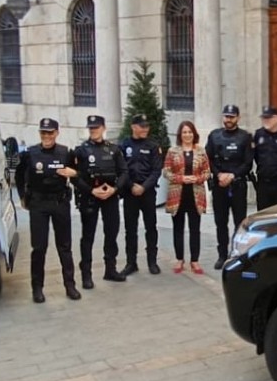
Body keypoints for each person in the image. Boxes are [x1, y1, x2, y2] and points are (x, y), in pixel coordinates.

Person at [13, 118, 80, 304]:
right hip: (38, 204)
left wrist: (74, 174)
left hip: (59, 203)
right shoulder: (30, 154)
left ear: (57, 133)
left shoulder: (65, 152)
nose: (47, 136)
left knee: (64, 246)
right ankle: (37, 288)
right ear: (40, 134)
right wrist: (22, 197)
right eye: (43, 133)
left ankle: (70, 285)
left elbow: (79, 172)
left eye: (50, 133)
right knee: (39, 248)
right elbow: (18, 175)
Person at [74, 115, 128, 287]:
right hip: (90, 197)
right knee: (88, 237)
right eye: (91, 128)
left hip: (110, 196)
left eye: (96, 128)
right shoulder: (81, 151)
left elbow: (124, 172)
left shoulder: (114, 149)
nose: (93, 131)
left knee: (111, 233)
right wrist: (91, 190)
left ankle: (110, 269)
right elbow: (75, 177)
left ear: (103, 128)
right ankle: (86, 275)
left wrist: (115, 189)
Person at [205, 104, 253, 269]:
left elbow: (248, 163)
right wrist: (219, 174)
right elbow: (208, 159)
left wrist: (232, 176)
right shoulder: (214, 136)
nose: (228, 120)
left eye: (232, 117)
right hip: (219, 185)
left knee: (239, 222)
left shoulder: (245, 137)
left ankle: (237, 253)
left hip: (237, 185)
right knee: (220, 222)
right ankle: (222, 255)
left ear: (238, 118)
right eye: (226, 116)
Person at [163, 120, 211, 274]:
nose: (187, 135)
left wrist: (196, 179)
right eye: (184, 132)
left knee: (195, 229)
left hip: (195, 194)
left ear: (194, 134)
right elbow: (166, 171)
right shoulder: (172, 151)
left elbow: (207, 172)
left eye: (190, 132)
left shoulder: (201, 151)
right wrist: (180, 178)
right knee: (178, 228)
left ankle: (195, 261)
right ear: (180, 135)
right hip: (178, 194)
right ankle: (179, 259)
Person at [119, 114, 164, 276]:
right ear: (133, 127)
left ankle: (152, 261)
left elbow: (156, 170)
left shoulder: (153, 146)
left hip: (147, 192)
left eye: (147, 126)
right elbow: (121, 169)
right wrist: (131, 186)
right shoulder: (124, 145)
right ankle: (131, 263)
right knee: (130, 229)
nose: (145, 129)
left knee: (151, 227)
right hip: (130, 192)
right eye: (142, 126)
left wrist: (143, 187)